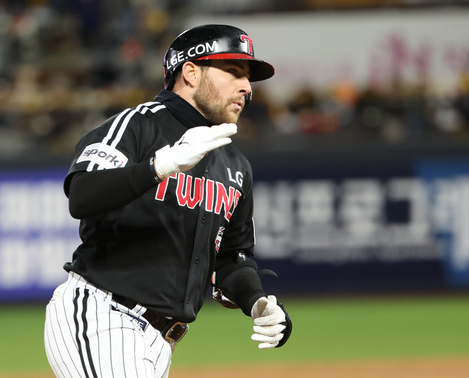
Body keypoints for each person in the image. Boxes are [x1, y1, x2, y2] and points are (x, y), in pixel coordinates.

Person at [44, 24, 292, 378]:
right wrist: (160, 166)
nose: (247, 87)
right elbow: (83, 195)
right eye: (234, 71)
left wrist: (257, 301)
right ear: (190, 72)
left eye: (248, 76)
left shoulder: (235, 165)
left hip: (162, 340)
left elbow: (231, 259)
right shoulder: (137, 126)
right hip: (102, 315)